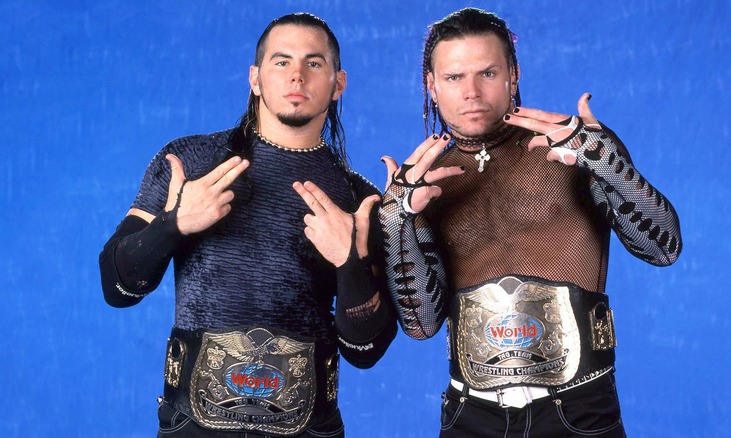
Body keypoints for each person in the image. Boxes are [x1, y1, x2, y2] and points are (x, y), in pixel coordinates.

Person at [379, 7, 682, 437]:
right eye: (453, 77)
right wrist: (396, 218)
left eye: (487, 73)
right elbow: (421, 324)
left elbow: (663, 247)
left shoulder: (571, 149)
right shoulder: (424, 184)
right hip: (470, 413)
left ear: (513, 75)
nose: (471, 92)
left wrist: (603, 160)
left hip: (579, 405)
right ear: (431, 84)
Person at [99, 13, 397, 438]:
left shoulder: (357, 199)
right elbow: (116, 288)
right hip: (193, 424)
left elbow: (365, 349)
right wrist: (172, 225)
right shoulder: (192, 164)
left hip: (309, 427)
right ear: (255, 78)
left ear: (338, 83)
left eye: (314, 63)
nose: (297, 75)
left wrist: (349, 263)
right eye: (282, 61)